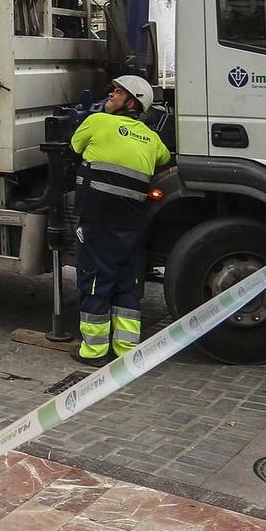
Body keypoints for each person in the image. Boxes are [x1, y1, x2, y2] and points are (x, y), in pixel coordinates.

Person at [71, 75, 171, 367]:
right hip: (131, 223)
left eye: (117, 93)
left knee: (95, 282)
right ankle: (126, 350)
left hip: (98, 220)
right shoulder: (152, 139)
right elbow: (164, 160)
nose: (110, 96)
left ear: (131, 102)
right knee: (127, 283)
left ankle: (93, 351)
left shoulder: (98, 122)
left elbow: (75, 146)